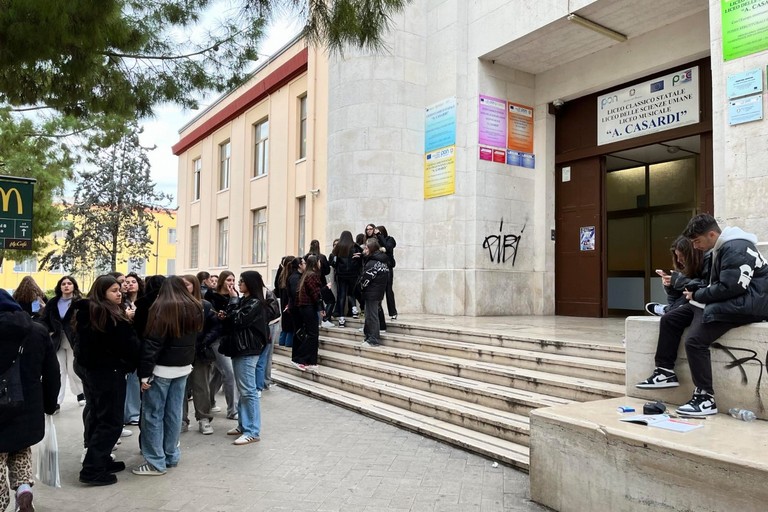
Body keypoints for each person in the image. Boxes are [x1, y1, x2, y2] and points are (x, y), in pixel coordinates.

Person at [636, 214, 768, 416]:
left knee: (695, 340)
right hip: (737, 301)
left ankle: (705, 398)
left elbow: (731, 287)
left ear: (712, 234)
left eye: (697, 241)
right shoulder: (723, 247)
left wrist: (697, 294)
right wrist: (695, 293)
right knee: (671, 319)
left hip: (748, 305)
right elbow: (718, 286)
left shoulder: (735, 248)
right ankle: (665, 372)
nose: (695, 246)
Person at [133, 276, 203, 476]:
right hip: (182, 367)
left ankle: (155, 462)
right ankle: (171, 455)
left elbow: (152, 344)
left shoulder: (163, 308)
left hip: (161, 369)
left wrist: (144, 374)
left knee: (153, 415)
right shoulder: (195, 307)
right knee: (173, 413)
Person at [74, 275, 139, 485]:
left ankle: (101, 460)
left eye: (119, 289)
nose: (119, 293)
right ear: (102, 293)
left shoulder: (92, 312)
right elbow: (128, 345)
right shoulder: (108, 316)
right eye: (113, 290)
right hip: (108, 373)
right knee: (111, 422)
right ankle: (92, 470)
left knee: (100, 417)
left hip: (96, 373)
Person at [0, 289, 60, 512]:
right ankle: (24, 490)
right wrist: (50, 404)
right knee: (20, 450)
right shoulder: (38, 330)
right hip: (27, 408)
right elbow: (53, 372)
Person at [219, 271, 278, 445]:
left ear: (251, 283)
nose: (238, 284)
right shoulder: (246, 300)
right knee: (243, 389)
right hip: (240, 348)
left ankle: (252, 430)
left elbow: (238, 321)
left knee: (248, 391)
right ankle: (243, 425)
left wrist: (233, 301)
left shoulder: (255, 303)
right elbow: (232, 319)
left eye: (242, 281)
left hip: (247, 349)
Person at [38, 275, 86, 410]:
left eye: (69, 283)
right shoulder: (53, 302)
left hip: (73, 340)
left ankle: (80, 393)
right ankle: (57, 400)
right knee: (59, 371)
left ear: (74, 286)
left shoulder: (79, 302)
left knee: (72, 370)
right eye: (63, 283)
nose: (66, 286)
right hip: (56, 340)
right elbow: (44, 319)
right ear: (60, 287)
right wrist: (48, 331)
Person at [181, 275, 220, 435]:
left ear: (194, 286)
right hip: (180, 354)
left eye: (187, 285)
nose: (184, 288)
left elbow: (216, 326)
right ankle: (182, 419)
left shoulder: (204, 305)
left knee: (201, 386)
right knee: (180, 388)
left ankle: (204, 418)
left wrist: (204, 341)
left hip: (199, 352)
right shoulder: (175, 305)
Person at [645, 236, 707, 316]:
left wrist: (678, 280)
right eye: (677, 256)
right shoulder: (682, 267)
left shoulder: (706, 262)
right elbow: (674, 299)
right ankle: (667, 309)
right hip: (681, 305)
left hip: (701, 303)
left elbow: (704, 286)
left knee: (691, 290)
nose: (678, 260)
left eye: (681, 256)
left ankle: (666, 310)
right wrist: (669, 285)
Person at [205, 271, 238, 419]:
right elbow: (210, 317)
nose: (231, 282)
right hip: (216, 339)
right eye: (228, 280)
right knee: (229, 373)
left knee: (218, 375)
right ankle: (233, 410)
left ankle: (209, 401)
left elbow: (236, 316)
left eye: (233, 280)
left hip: (230, 338)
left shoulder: (234, 296)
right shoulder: (211, 296)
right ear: (222, 281)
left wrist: (234, 299)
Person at [292, 255, 324, 370]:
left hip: (304, 307)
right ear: (316, 263)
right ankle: (300, 358)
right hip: (309, 307)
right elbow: (315, 293)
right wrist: (321, 308)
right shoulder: (312, 276)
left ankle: (311, 361)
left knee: (312, 334)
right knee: (312, 334)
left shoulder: (305, 276)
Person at [360, 238, 390, 347]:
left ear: (371, 248)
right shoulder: (383, 261)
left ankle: (373, 339)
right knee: (371, 315)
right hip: (378, 292)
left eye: (367, 248)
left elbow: (366, 279)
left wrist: (361, 287)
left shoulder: (372, 262)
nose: (365, 250)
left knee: (371, 316)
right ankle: (369, 337)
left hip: (371, 292)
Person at [330, 231, 362, 327]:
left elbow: (334, 262)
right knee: (351, 293)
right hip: (353, 274)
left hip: (341, 274)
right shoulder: (355, 247)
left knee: (341, 295)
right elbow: (361, 259)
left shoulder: (338, 248)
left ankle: (341, 318)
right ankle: (354, 310)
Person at [374, 225, 398, 320]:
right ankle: (379, 312)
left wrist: (380, 236)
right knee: (378, 291)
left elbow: (388, 248)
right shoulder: (375, 241)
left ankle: (393, 312)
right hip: (377, 267)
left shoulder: (390, 239)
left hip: (387, 267)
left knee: (388, 290)